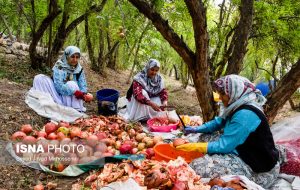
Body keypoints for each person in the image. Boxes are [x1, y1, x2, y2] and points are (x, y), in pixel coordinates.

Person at [176, 74, 280, 188]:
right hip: (243, 148)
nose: (220, 97)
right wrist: (195, 129)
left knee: (197, 166)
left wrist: (194, 146)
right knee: (204, 136)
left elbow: (223, 146)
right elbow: (218, 123)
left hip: (257, 166)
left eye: (222, 94)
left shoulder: (245, 114)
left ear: (234, 92)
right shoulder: (236, 105)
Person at [32, 46, 92, 112]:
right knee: (39, 78)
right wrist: (74, 92)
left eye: (77, 57)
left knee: (72, 84)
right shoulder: (60, 66)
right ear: (67, 56)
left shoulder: (79, 69)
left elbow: (82, 85)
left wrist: (84, 95)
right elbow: (59, 86)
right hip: (59, 93)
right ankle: (60, 104)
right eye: (72, 56)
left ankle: (75, 109)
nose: (75, 60)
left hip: (73, 98)